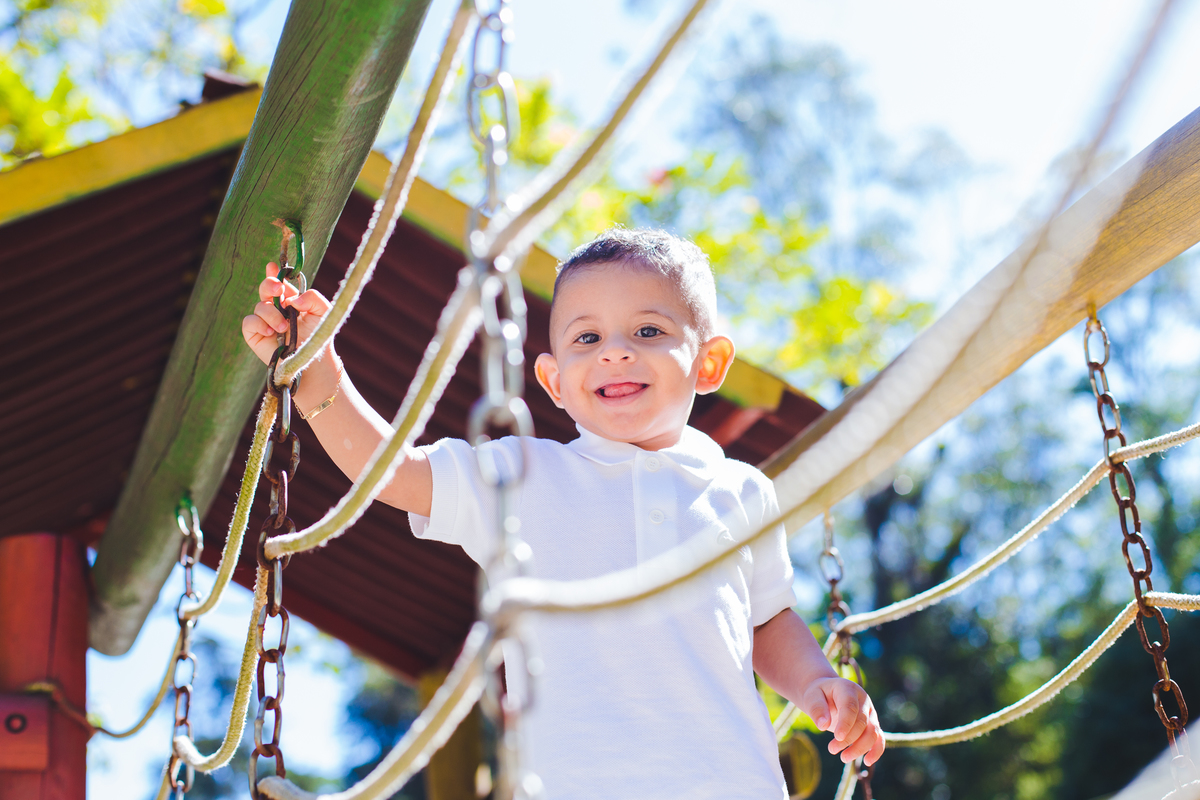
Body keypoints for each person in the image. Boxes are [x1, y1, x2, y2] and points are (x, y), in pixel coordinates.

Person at [242, 227, 884, 798]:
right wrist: (321, 376)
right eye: (588, 337)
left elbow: (765, 620)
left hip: (732, 784)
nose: (614, 352)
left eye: (648, 331)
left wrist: (815, 683)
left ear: (709, 362)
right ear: (553, 381)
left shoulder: (743, 491)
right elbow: (398, 473)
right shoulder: (525, 476)